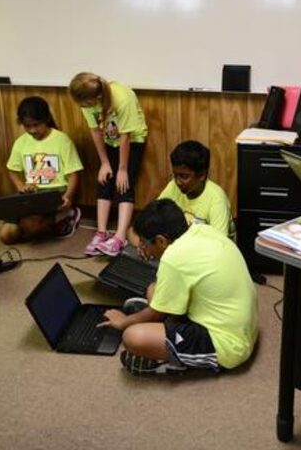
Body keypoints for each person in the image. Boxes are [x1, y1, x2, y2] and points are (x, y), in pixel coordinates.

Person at [98, 199, 258, 375]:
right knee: (153, 288)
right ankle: (163, 334)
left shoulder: (174, 259)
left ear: (161, 241)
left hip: (228, 345)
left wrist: (123, 322)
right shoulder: (203, 230)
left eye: (144, 244)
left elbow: (156, 313)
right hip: (243, 327)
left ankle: (177, 362)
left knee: (132, 336)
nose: (144, 250)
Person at [69, 72, 148, 256]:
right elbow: (95, 131)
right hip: (109, 140)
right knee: (104, 181)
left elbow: (125, 136)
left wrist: (122, 169)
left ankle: (120, 237)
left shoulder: (122, 97)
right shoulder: (86, 100)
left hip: (133, 140)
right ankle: (101, 232)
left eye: (86, 105)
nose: (83, 108)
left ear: (97, 97)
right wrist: (104, 162)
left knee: (123, 185)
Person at [0, 96, 83, 244]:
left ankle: (67, 214)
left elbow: (73, 175)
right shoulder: (21, 142)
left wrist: (68, 197)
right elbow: (12, 170)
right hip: (32, 194)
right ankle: (31, 223)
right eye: (27, 126)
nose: (32, 130)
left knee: (31, 228)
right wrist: (21, 187)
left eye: (36, 125)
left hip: (55, 192)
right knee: (6, 236)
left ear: (46, 119)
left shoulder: (62, 140)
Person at [157, 140, 233, 238]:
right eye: (175, 175)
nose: (178, 182)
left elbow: (219, 244)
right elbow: (154, 216)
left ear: (202, 175)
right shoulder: (173, 186)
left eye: (184, 176)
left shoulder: (217, 199)